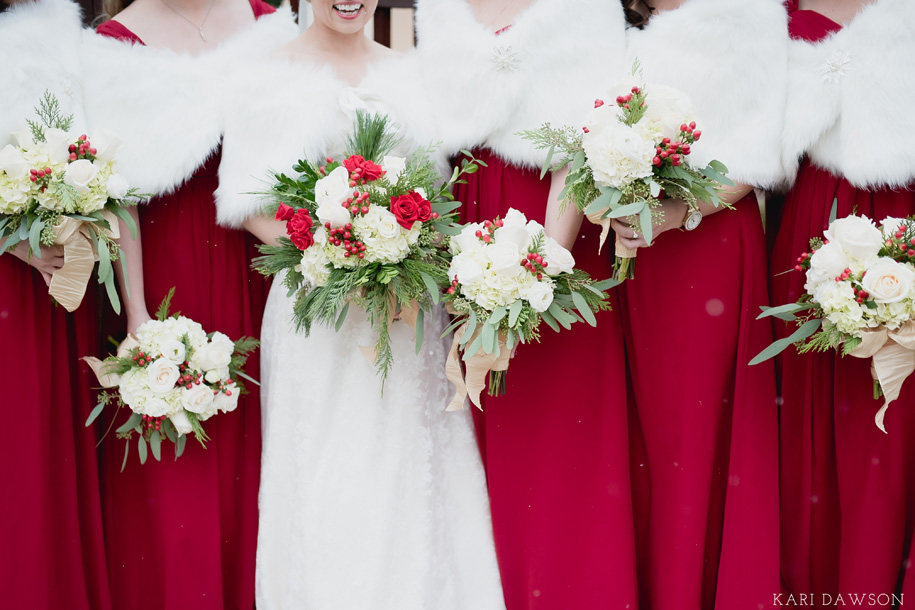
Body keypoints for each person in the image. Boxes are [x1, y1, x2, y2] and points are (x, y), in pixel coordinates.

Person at [214, 1, 505, 608]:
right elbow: (253, 207)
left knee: (414, 471)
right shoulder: (262, 75)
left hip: (408, 310)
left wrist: (396, 255)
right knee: (327, 472)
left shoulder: (409, 73)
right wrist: (339, 260)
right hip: (317, 310)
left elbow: (436, 196)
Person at [415, 2, 640, 608]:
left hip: (551, 229)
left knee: (559, 436)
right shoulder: (440, 12)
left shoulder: (587, 11)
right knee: (474, 430)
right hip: (463, 232)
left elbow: (584, 144)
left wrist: (530, 275)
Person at [83, 2, 296, 607]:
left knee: (265, 451)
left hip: (264, 267)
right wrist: (138, 315)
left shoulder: (266, 19)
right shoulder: (112, 45)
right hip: (167, 266)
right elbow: (112, 193)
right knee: (178, 460)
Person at [613, 1, 786, 608]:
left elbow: (759, 151)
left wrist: (677, 212)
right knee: (640, 434)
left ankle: (689, 589)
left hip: (706, 244)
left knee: (693, 432)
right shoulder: (613, 26)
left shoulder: (746, 20)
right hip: (634, 254)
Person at [772, 0, 915, 603]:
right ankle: (815, 588)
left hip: (904, 221)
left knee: (892, 430)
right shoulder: (768, 12)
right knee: (805, 427)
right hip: (810, 226)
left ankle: (877, 585)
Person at [0, 1, 110, 608]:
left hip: (58, 281)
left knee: (39, 458)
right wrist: (16, 242)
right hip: (15, 277)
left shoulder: (75, 39)